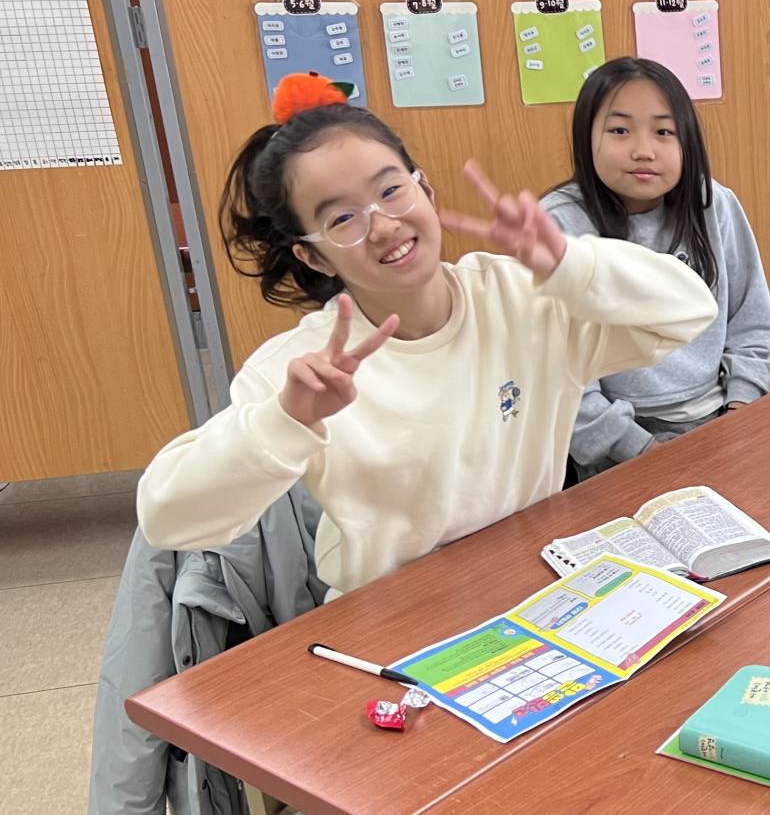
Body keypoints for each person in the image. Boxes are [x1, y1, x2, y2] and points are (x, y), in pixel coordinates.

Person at [136, 74, 718, 598]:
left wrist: (571, 263)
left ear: (428, 192)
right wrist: (285, 421)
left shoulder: (523, 299)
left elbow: (689, 311)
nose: (384, 225)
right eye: (342, 218)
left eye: (392, 191)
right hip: (393, 617)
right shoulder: (303, 369)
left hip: (536, 593)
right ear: (313, 256)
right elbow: (166, 518)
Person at [542, 58, 770, 480]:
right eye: (620, 130)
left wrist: (740, 408)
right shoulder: (559, 225)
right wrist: (642, 449)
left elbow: (753, 322)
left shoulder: (713, 204)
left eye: (663, 132)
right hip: (617, 445)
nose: (644, 150)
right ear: (586, 137)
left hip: (720, 418)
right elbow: (557, 377)